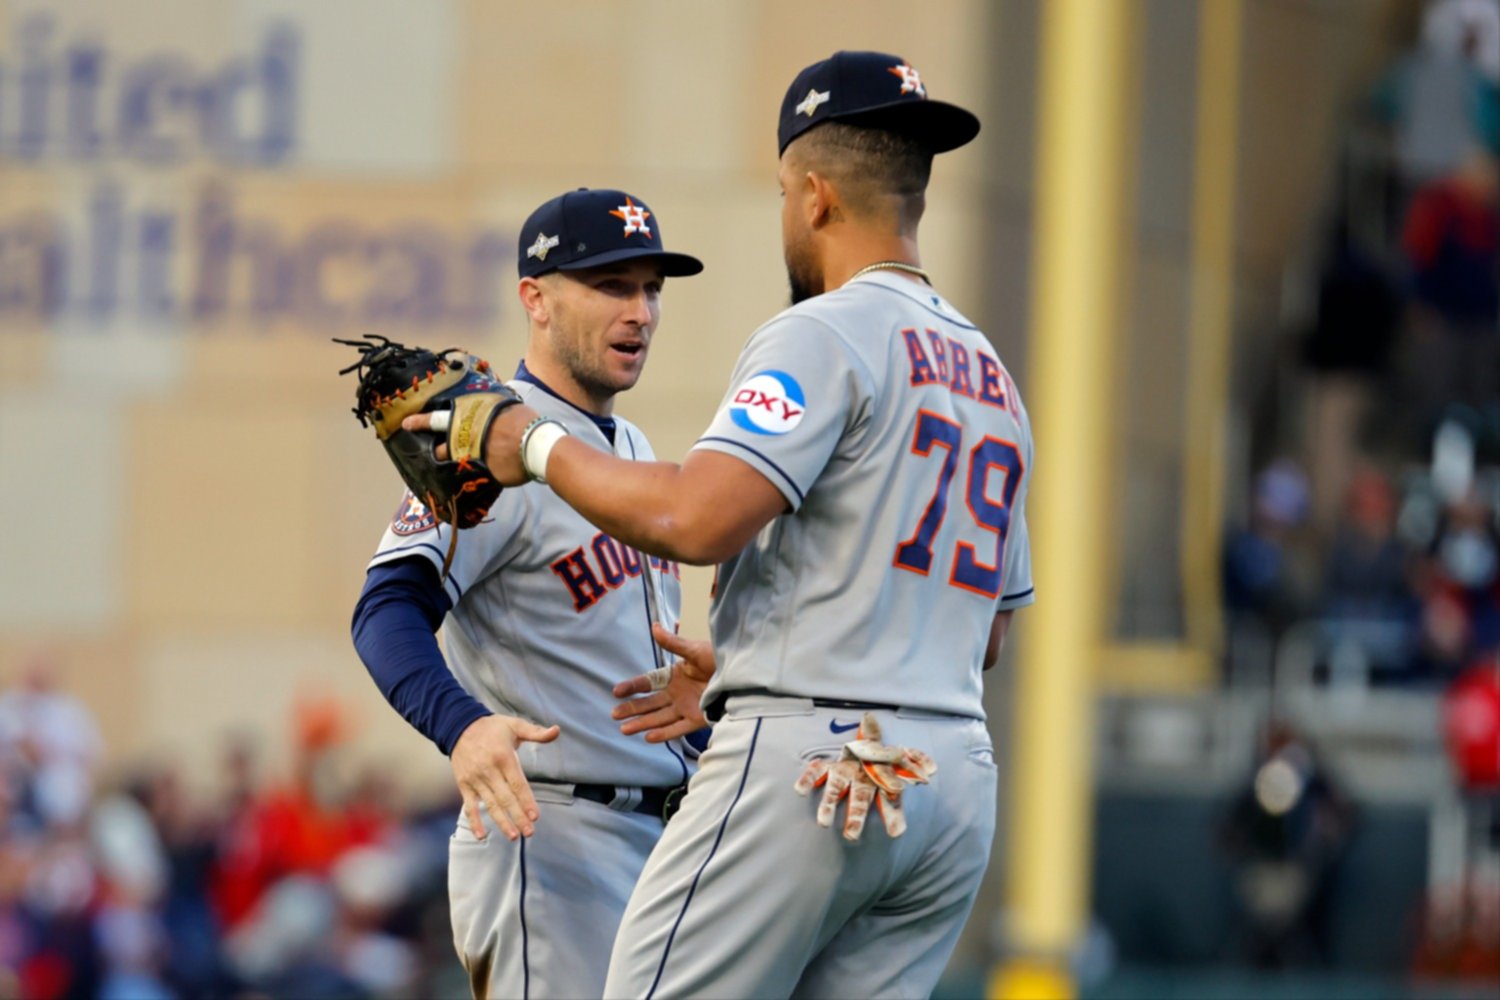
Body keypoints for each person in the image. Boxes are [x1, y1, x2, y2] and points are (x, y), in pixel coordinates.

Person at [412, 51, 1033, 998]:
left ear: (814, 196)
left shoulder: (824, 330)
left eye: (785, 194)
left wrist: (526, 441)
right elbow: (986, 630)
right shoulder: (991, 376)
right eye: (610, 284)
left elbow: (691, 519)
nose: (640, 308)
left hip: (815, 761)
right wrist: (758, 658)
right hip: (952, 786)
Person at [348, 187, 706, 998]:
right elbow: (386, 608)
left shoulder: (629, 446)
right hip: (547, 835)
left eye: (652, 288)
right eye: (612, 286)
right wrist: (462, 727)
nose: (641, 312)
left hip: (654, 838)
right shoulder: (487, 445)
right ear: (534, 301)